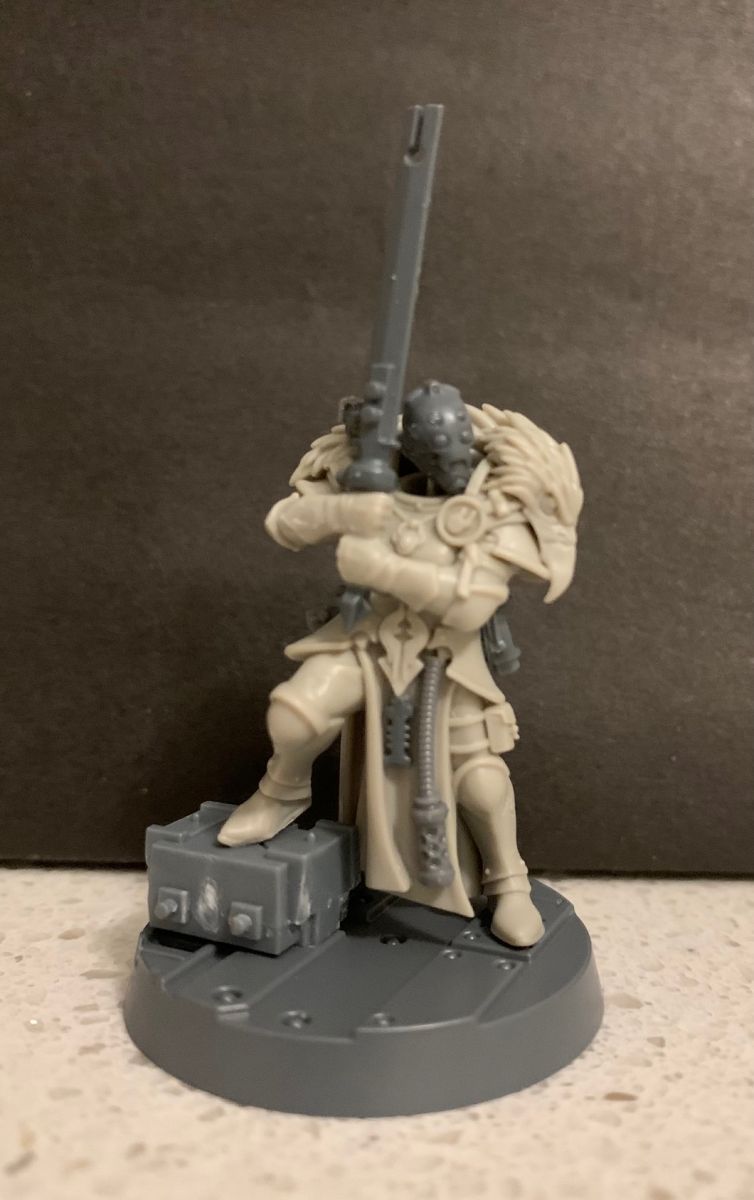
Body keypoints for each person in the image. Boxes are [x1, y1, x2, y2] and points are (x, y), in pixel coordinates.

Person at [218, 383, 583, 946]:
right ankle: (281, 790)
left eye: (456, 449)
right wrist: (342, 510)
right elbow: (284, 524)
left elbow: (474, 604)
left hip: (448, 657)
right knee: (295, 713)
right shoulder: (372, 480)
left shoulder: (496, 503)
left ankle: (509, 883)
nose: (450, 464)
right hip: (368, 639)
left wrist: (380, 568)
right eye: (434, 452)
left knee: (479, 782)